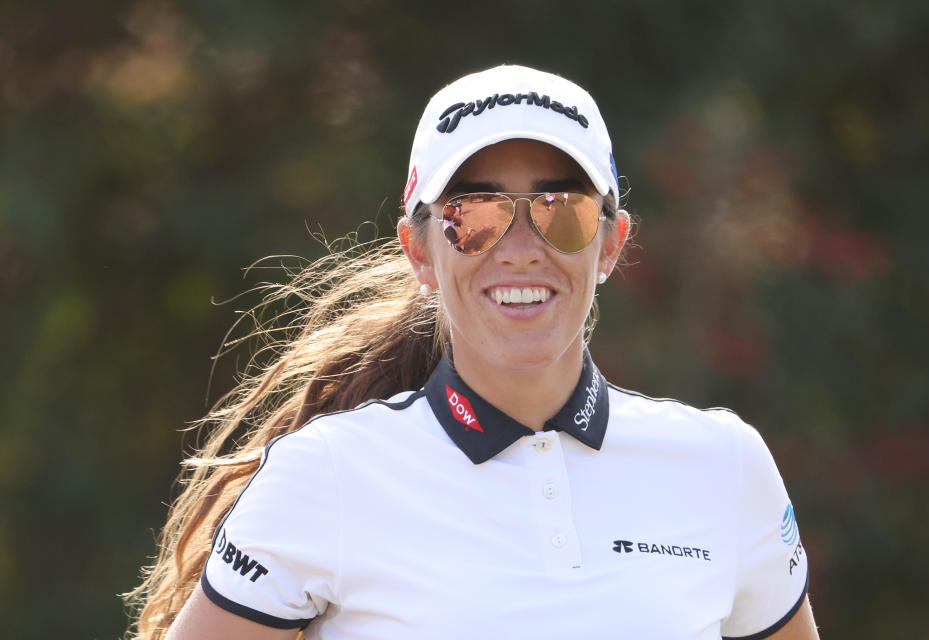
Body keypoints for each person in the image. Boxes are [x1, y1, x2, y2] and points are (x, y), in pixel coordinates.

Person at [126, 65, 820, 639]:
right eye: (473, 216)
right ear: (419, 252)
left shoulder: (724, 466)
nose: (521, 247)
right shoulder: (326, 475)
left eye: (562, 209)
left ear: (610, 243)